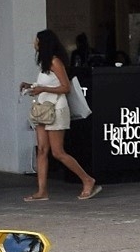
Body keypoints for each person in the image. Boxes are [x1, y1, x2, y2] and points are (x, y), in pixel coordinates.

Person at [20, 28, 100, 202]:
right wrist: (32, 86)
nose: (34, 43)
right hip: (44, 110)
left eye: (37, 41)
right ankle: (42, 191)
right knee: (41, 150)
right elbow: (48, 83)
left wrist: (42, 89)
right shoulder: (45, 64)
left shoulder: (55, 62)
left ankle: (87, 179)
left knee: (57, 152)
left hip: (56, 110)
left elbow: (65, 87)